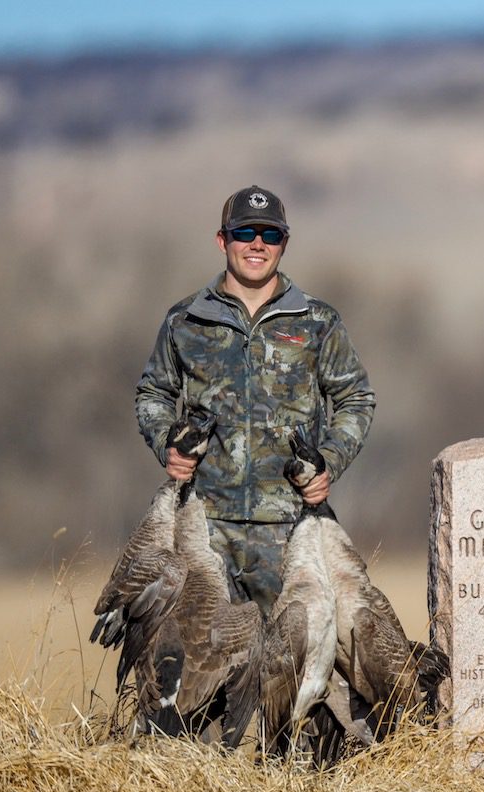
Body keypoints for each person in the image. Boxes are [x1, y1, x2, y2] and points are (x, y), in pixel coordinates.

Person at [136, 184, 375, 617]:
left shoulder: (318, 322)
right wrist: (166, 445)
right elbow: (154, 393)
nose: (257, 245)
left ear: (285, 243)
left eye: (270, 234)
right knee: (199, 673)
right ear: (222, 240)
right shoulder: (185, 321)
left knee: (293, 674)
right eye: (245, 233)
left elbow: (355, 398)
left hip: (292, 530)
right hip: (203, 530)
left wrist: (328, 462)